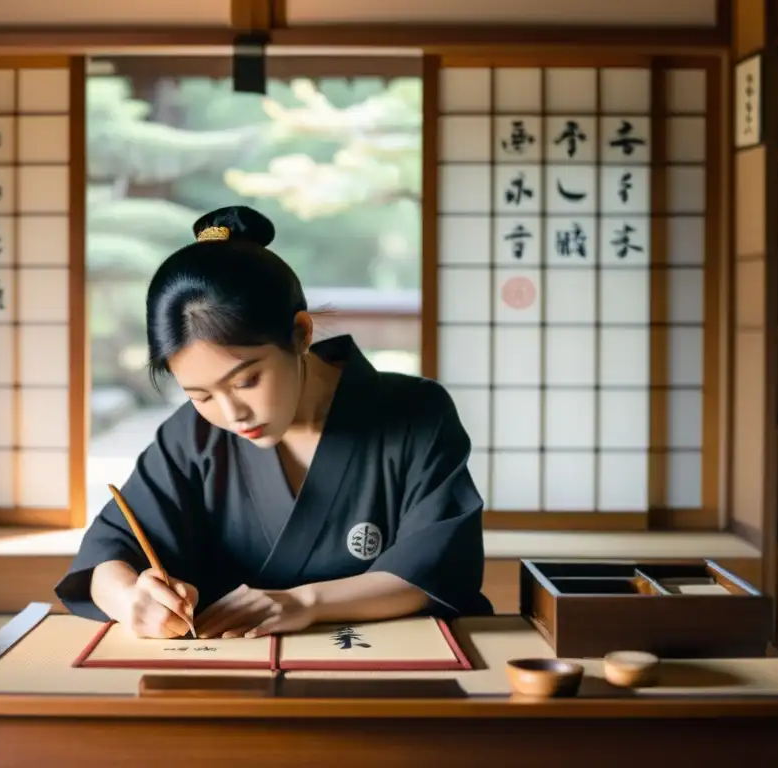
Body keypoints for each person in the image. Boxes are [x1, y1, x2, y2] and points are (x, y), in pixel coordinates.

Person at [55, 205, 493, 640]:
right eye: (201, 395)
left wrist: (305, 602)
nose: (231, 414)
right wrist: (133, 599)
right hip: (226, 681)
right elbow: (108, 553)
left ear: (301, 333)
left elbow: (439, 564)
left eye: (246, 380)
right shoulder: (192, 436)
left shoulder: (416, 414)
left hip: (377, 677)